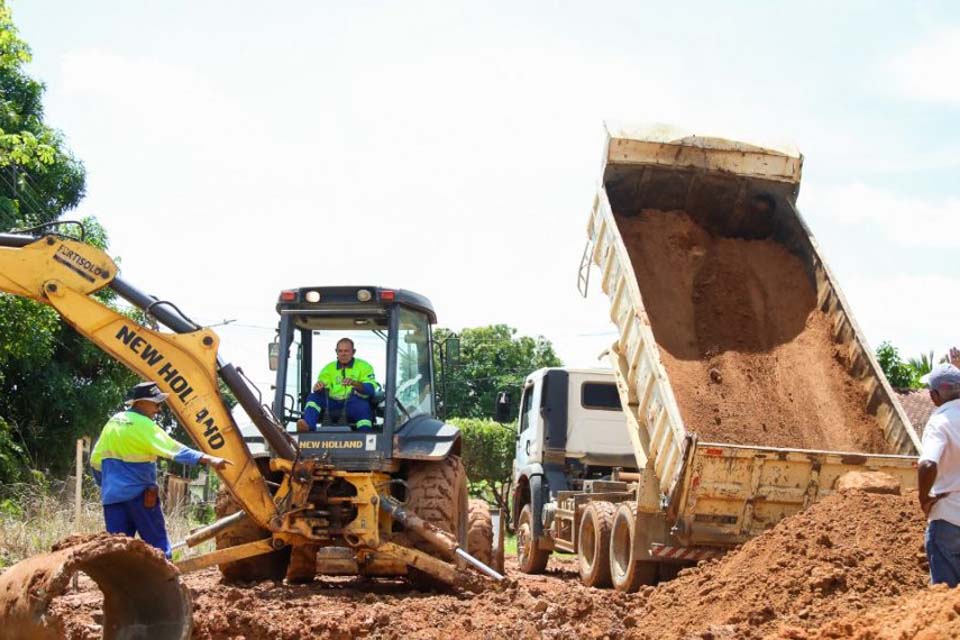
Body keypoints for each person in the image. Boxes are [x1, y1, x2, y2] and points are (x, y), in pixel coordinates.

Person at [90, 381, 229, 557]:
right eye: (156, 403)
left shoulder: (113, 422)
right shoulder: (144, 425)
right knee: (158, 548)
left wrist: (107, 486)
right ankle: (167, 583)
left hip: (112, 499)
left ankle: (121, 584)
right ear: (140, 402)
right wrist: (209, 459)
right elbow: (175, 450)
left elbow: (95, 461)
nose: (158, 409)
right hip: (139, 497)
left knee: (117, 552)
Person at [918, 362, 960, 587]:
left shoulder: (940, 422)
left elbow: (927, 464)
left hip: (948, 519)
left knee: (947, 600)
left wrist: (923, 499)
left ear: (934, 395)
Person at [297, 338, 381, 432]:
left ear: (353, 352)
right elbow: (323, 386)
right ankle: (308, 426)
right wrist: (319, 388)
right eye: (340, 351)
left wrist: (355, 383)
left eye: (346, 351)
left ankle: (365, 436)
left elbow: (370, 389)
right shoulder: (328, 369)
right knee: (314, 397)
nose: (343, 354)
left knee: (363, 406)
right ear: (336, 352)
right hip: (332, 404)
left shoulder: (364, 367)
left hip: (353, 402)